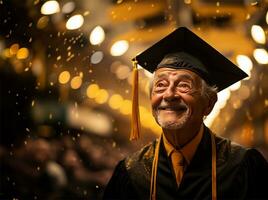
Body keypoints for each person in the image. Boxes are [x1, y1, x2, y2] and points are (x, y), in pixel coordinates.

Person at [103, 27, 268, 200]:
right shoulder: (131, 172)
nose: (169, 94)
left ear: (209, 103)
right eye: (161, 85)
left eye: (184, 85)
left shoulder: (243, 166)